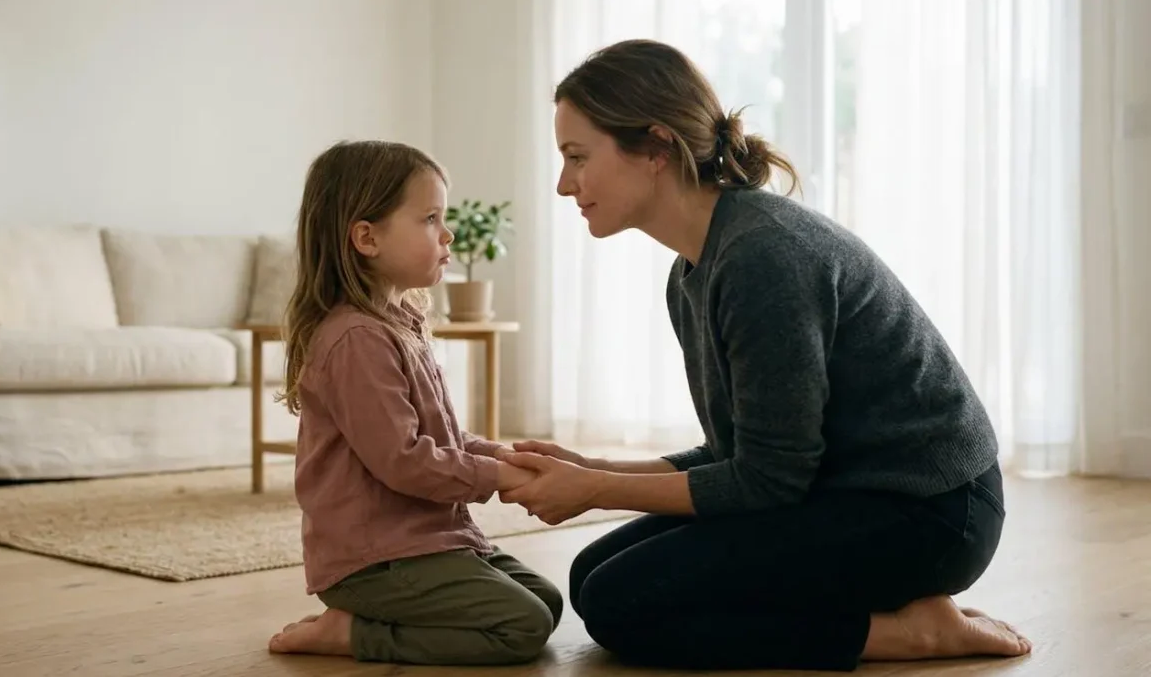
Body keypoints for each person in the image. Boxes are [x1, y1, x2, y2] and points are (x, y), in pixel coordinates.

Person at [497, 39, 1034, 672]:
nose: (565, 185)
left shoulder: (762, 256)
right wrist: (595, 467)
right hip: (839, 493)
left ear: (655, 148)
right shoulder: (695, 269)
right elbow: (744, 454)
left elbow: (768, 479)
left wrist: (595, 489)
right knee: (593, 574)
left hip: (931, 515)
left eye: (577, 157)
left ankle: (912, 634)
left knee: (622, 602)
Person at [265, 140, 562, 665]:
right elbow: (404, 460)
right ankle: (350, 635)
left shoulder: (400, 324)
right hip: (374, 561)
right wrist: (499, 478)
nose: (447, 234)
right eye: (429, 218)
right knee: (522, 626)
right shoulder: (355, 338)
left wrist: (506, 457)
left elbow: (440, 441)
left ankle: (370, 621)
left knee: (546, 601)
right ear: (366, 237)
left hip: (425, 542)